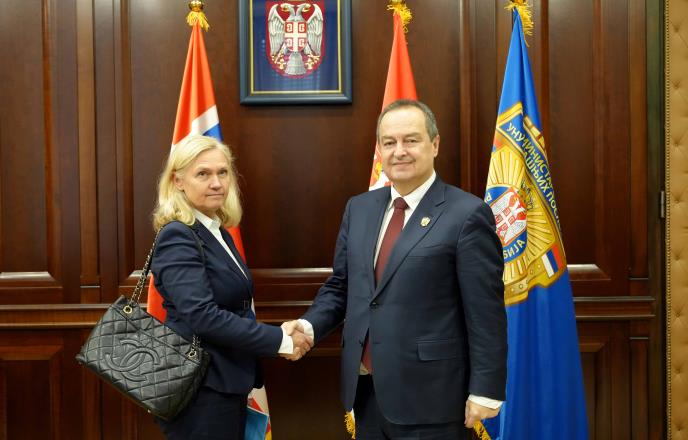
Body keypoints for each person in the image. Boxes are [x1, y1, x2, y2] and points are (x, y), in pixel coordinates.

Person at [284, 100, 507, 439]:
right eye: (389, 142)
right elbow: (343, 285)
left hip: (432, 399)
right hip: (366, 393)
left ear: (435, 144)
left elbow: (485, 311)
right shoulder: (359, 208)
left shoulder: (467, 214)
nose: (399, 151)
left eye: (411, 140)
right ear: (379, 150)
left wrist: (486, 390)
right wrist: (308, 326)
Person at [150, 135, 312, 439]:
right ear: (178, 181)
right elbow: (203, 316)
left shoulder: (215, 230)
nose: (216, 183)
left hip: (224, 381)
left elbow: (233, 307)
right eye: (203, 174)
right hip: (200, 389)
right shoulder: (178, 235)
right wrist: (279, 339)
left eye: (222, 172)